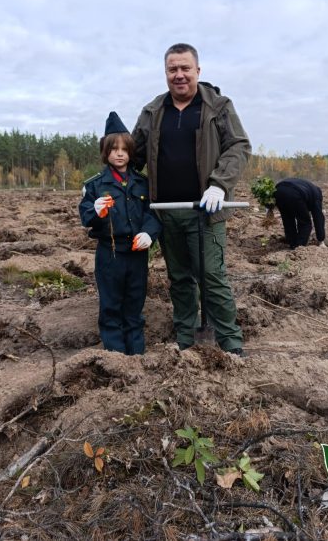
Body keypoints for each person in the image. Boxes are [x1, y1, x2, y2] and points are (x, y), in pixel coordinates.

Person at [132, 43, 251, 355]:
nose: (179, 75)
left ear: (198, 70)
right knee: (180, 279)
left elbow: (238, 146)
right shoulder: (153, 112)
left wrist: (219, 185)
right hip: (166, 212)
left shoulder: (218, 106)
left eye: (185, 68)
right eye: (173, 69)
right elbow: (131, 156)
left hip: (206, 212)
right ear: (166, 73)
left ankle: (230, 342)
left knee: (212, 276)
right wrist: (104, 185)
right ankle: (185, 337)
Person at [79, 112, 161, 355]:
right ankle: (115, 356)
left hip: (136, 253)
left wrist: (149, 234)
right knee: (111, 304)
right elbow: (86, 216)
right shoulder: (95, 185)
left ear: (131, 152)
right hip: (110, 254)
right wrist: (95, 211)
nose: (119, 153)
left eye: (124, 149)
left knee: (135, 303)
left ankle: (136, 354)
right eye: (114, 148)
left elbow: (153, 214)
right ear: (106, 151)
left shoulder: (143, 183)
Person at [274, 178, 326, 249]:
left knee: (287, 219)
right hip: (295, 193)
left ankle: (291, 243)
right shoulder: (316, 195)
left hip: (278, 191)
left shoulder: (309, 187)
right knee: (305, 223)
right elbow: (318, 218)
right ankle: (299, 248)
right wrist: (321, 238)